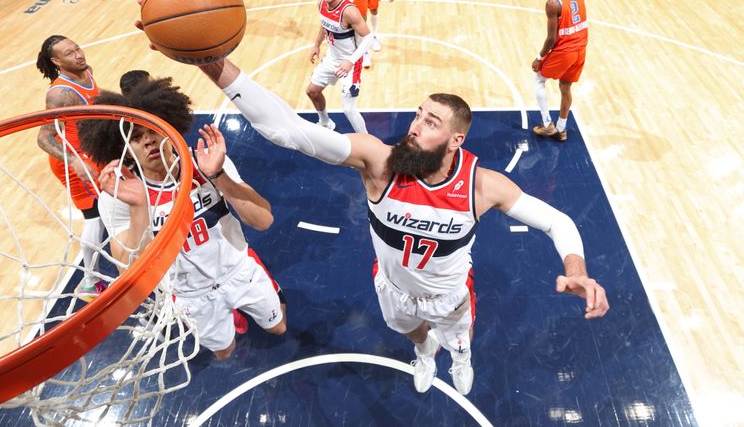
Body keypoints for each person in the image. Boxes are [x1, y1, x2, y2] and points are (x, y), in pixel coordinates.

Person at [145, 53, 610, 396]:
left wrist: (577, 268)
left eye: (431, 122)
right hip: (391, 285)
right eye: (417, 115)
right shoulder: (379, 162)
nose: (415, 125)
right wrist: (211, 62)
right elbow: (289, 130)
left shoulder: (482, 185)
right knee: (411, 331)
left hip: (449, 290)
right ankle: (425, 354)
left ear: (455, 139)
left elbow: (557, 220)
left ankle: (460, 357)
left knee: (459, 334)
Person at [77, 77, 287, 359]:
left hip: (238, 271)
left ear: (168, 126)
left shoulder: (204, 163)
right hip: (188, 293)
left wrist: (218, 176)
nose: (148, 140)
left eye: (151, 130)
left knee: (279, 328)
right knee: (224, 351)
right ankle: (229, 318)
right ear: (123, 148)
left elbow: (263, 221)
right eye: (136, 138)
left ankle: (264, 296)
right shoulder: (119, 194)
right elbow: (129, 269)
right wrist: (139, 207)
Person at [35, 35, 107, 299]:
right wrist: (75, 160)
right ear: (56, 61)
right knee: (94, 216)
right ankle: (89, 281)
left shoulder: (87, 72)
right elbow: (44, 137)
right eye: (69, 53)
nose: (78, 54)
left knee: (110, 205)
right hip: (72, 160)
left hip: (91, 152)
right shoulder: (59, 94)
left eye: (77, 48)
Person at [307, 0, 373, 134]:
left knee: (349, 109)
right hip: (331, 59)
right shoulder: (321, 3)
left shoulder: (349, 12)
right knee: (312, 91)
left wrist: (351, 61)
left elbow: (368, 38)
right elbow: (324, 25)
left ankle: (368, 142)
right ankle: (325, 122)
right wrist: (316, 45)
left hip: (351, 61)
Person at [531, 0, 587, 142]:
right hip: (581, 49)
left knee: (539, 79)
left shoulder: (553, 3)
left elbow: (551, 39)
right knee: (565, 87)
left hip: (565, 50)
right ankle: (562, 129)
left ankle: (548, 124)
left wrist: (539, 57)